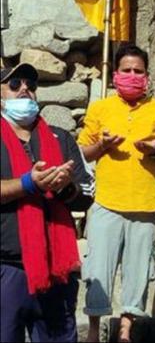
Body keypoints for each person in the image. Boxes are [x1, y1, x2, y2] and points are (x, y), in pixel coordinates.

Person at [78, 44, 155, 342]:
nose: (132, 76)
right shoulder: (100, 108)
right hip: (107, 202)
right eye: (127, 70)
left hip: (146, 204)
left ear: (147, 75)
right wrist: (104, 146)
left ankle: (126, 330)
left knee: (137, 273)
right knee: (99, 268)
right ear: (116, 74)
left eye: (138, 71)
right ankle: (95, 331)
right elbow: (84, 150)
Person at [0, 63, 94, 342]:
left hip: (57, 270)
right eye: (14, 84)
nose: (25, 89)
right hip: (6, 268)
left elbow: (86, 194)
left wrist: (64, 188)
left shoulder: (61, 138)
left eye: (31, 85)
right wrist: (29, 183)